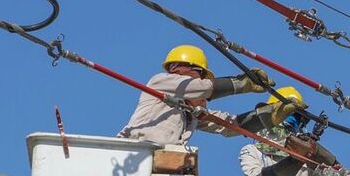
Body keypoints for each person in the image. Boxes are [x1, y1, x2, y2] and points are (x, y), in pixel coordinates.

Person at [118, 44, 302, 145]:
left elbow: (229, 125)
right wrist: (242, 83)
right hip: (135, 149)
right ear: (175, 68)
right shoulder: (160, 82)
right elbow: (201, 88)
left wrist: (269, 115)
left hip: (159, 157)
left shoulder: (189, 111)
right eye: (199, 73)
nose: (201, 80)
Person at [238, 86, 342, 176]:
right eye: (285, 113)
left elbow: (339, 174)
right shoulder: (251, 151)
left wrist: (317, 153)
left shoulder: (305, 152)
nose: (291, 121)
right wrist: (295, 160)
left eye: (297, 117)